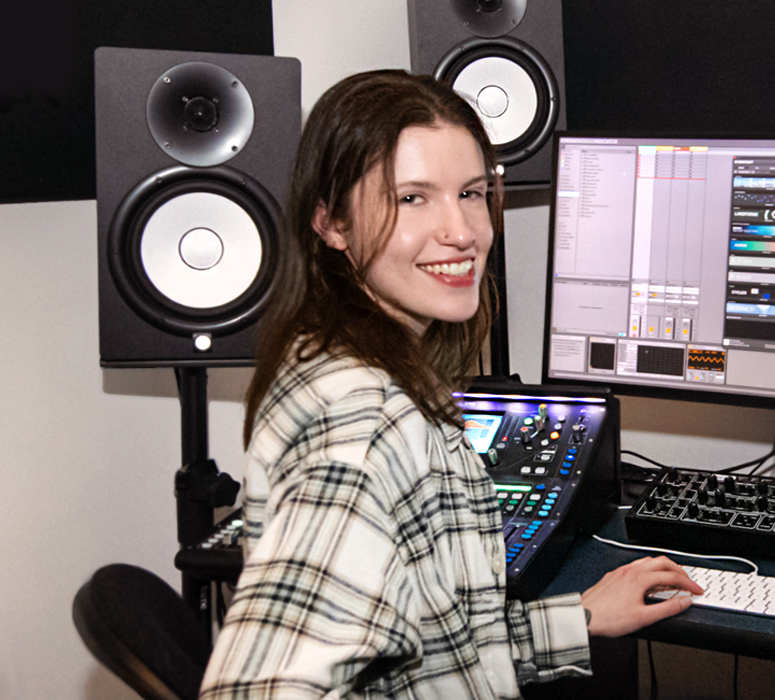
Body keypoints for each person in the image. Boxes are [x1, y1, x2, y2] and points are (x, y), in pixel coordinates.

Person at [200, 69, 702, 699]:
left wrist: (578, 620)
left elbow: (427, 652)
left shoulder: (338, 359)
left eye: (470, 193)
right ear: (330, 223)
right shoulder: (365, 424)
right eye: (413, 198)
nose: (463, 232)